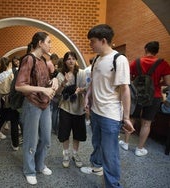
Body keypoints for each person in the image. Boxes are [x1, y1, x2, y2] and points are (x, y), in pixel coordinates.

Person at [80, 24, 135, 188]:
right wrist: (87, 98)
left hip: (110, 115)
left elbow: (125, 89)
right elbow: (93, 82)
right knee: (97, 143)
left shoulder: (119, 60)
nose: (90, 45)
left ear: (103, 41)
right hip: (96, 112)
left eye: (92, 41)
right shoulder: (97, 59)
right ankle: (96, 167)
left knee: (110, 153)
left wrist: (126, 117)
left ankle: (113, 185)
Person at [15, 32, 58, 185]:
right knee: (30, 140)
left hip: (44, 104)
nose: (50, 45)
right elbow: (19, 86)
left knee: (46, 139)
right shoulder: (29, 58)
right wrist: (43, 90)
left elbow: (45, 81)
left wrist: (53, 82)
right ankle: (29, 170)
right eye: (49, 42)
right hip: (32, 104)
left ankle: (39, 164)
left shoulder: (44, 60)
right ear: (40, 43)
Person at [119, 41, 170, 156]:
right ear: (157, 51)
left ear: (146, 49)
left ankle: (126, 143)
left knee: (131, 118)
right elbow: (168, 82)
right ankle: (139, 148)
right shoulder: (163, 64)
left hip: (136, 95)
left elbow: (128, 78)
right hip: (154, 96)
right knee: (146, 123)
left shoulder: (136, 62)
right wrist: (156, 84)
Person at [56, 51, 87, 168]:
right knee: (65, 132)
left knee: (78, 132)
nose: (71, 61)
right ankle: (66, 154)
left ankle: (75, 153)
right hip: (65, 107)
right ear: (65, 61)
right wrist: (64, 82)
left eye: (73, 58)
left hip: (78, 107)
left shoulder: (82, 73)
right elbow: (58, 93)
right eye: (68, 59)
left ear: (76, 60)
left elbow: (86, 88)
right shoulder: (60, 75)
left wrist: (80, 90)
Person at [0, 57, 20, 150]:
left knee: (4, 116)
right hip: (12, 99)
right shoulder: (12, 73)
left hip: (3, 99)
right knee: (14, 121)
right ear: (10, 64)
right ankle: (15, 144)